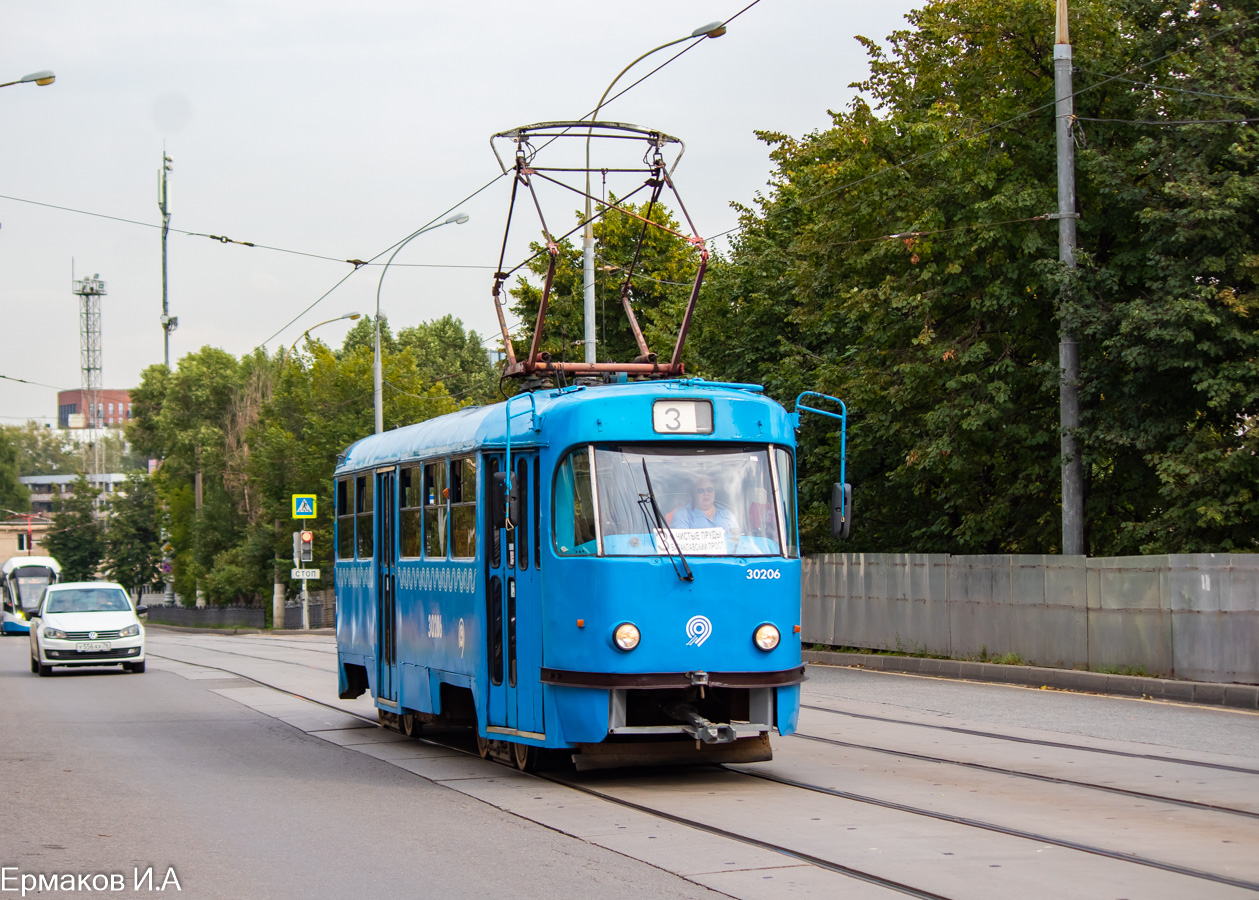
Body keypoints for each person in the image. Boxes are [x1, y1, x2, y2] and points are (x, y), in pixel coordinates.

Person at [670, 475, 740, 538]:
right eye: (701, 491)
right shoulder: (682, 515)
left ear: (714, 492)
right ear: (694, 494)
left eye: (710, 490)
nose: (706, 494)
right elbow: (680, 544)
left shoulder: (727, 515)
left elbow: (736, 542)